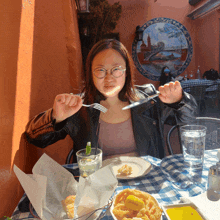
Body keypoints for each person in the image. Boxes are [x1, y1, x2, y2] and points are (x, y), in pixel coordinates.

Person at [25, 39, 197, 162]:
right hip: (98, 188)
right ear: (90, 74)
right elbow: (34, 138)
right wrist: (56, 117)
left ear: (126, 72)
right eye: (100, 70)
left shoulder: (148, 100)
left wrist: (179, 100)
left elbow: (189, 120)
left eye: (116, 69)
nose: (108, 77)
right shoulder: (79, 107)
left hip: (146, 181)